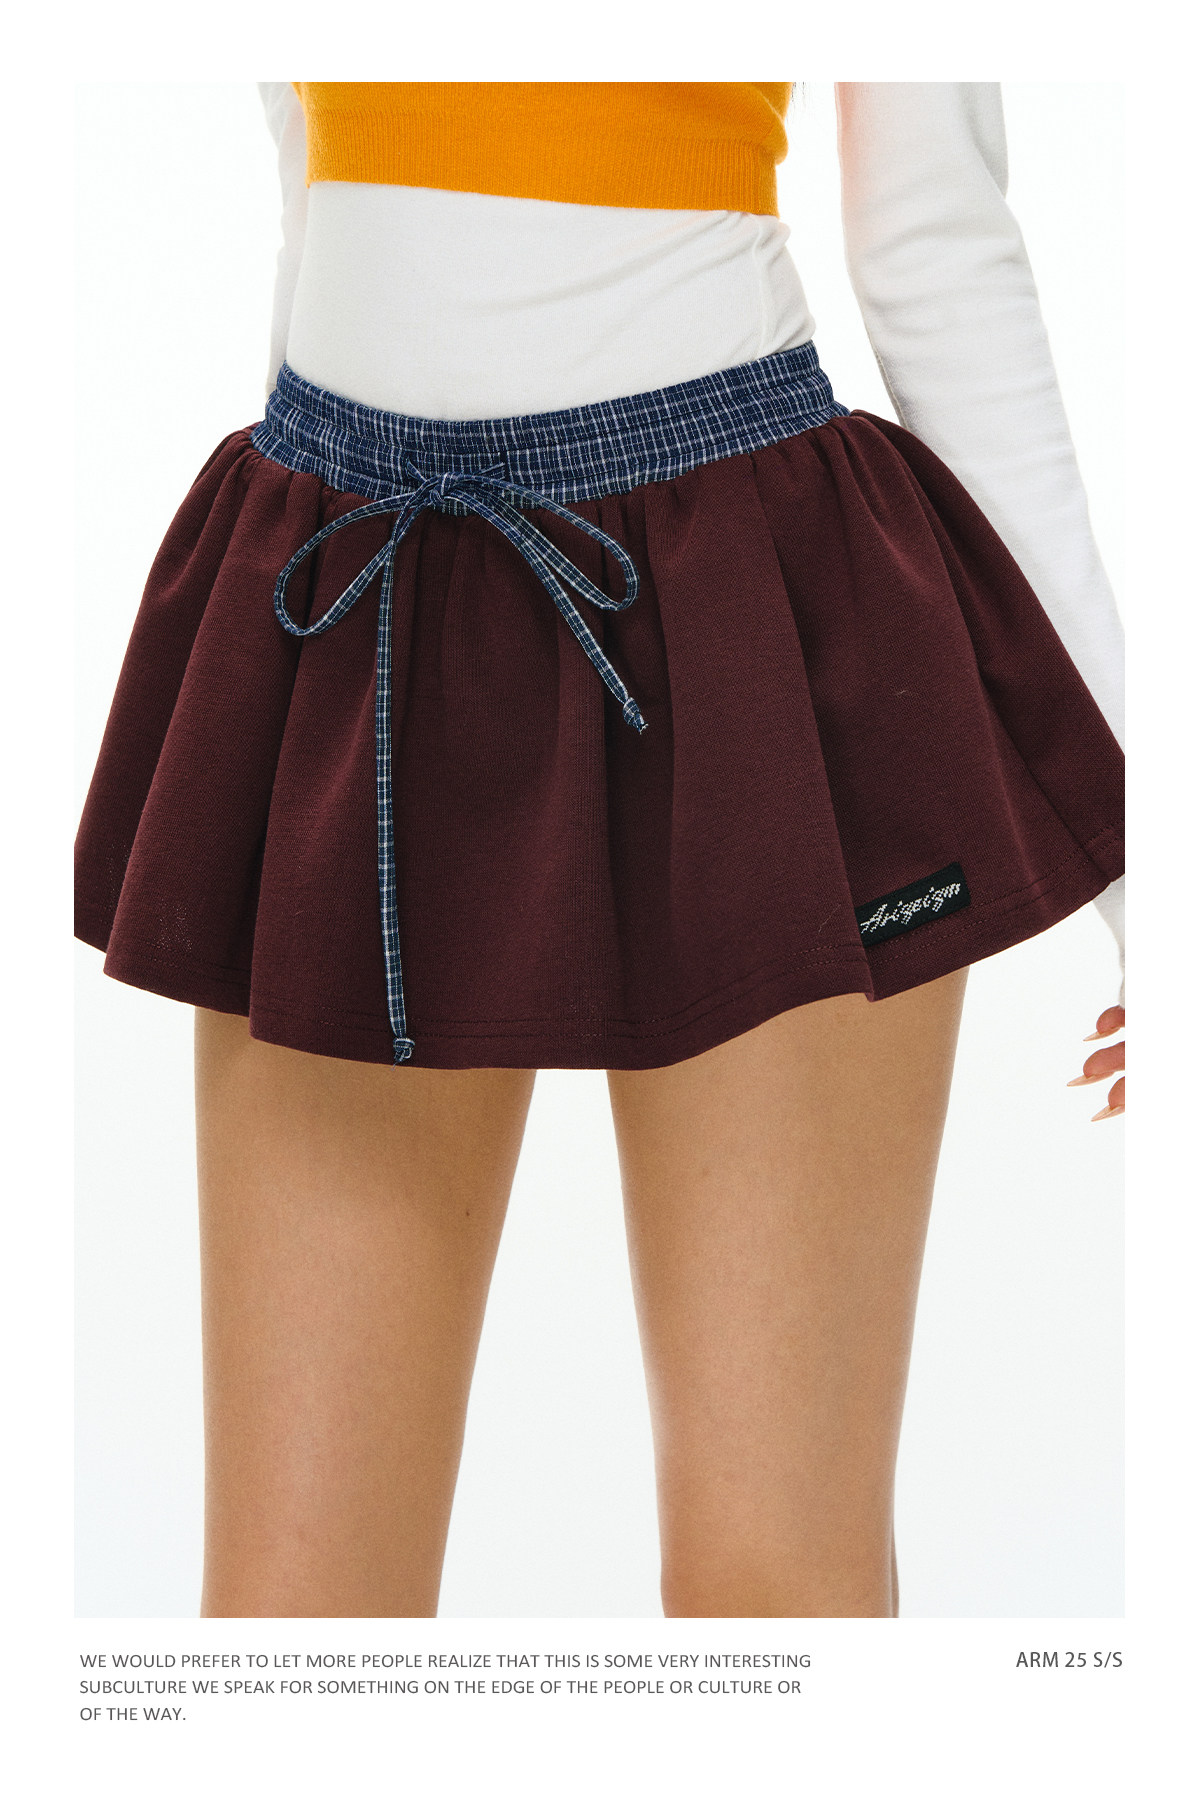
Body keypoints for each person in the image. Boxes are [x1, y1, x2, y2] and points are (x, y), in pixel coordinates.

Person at [74, 82, 1125, 1618]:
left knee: (777, 1593)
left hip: (747, 609)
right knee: (295, 1622)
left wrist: (1146, 862)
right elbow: (315, 172)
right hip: (364, 575)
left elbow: (934, 241)